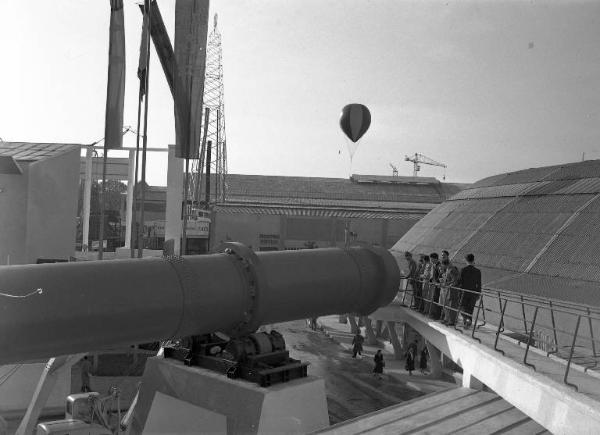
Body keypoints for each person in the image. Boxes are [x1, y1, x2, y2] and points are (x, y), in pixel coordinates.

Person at [458, 253, 482, 328]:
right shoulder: (478, 271)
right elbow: (479, 283)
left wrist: (458, 291)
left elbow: (459, 282)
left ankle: (467, 321)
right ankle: (468, 322)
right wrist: (478, 293)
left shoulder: (463, 270)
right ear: (473, 260)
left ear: (466, 260)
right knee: (470, 309)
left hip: (464, 292)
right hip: (473, 293)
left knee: (462, 307)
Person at [441, 257, 461, 326]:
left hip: (452, 290)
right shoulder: (448, 269)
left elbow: (454, 280)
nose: (442, 266)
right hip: (448, 290)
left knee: (452, 305)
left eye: (443, 265)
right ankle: (447, 319)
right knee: (446, 305)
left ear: (446, 264)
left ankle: (452, 321)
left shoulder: (452, 270)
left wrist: (447, 284)